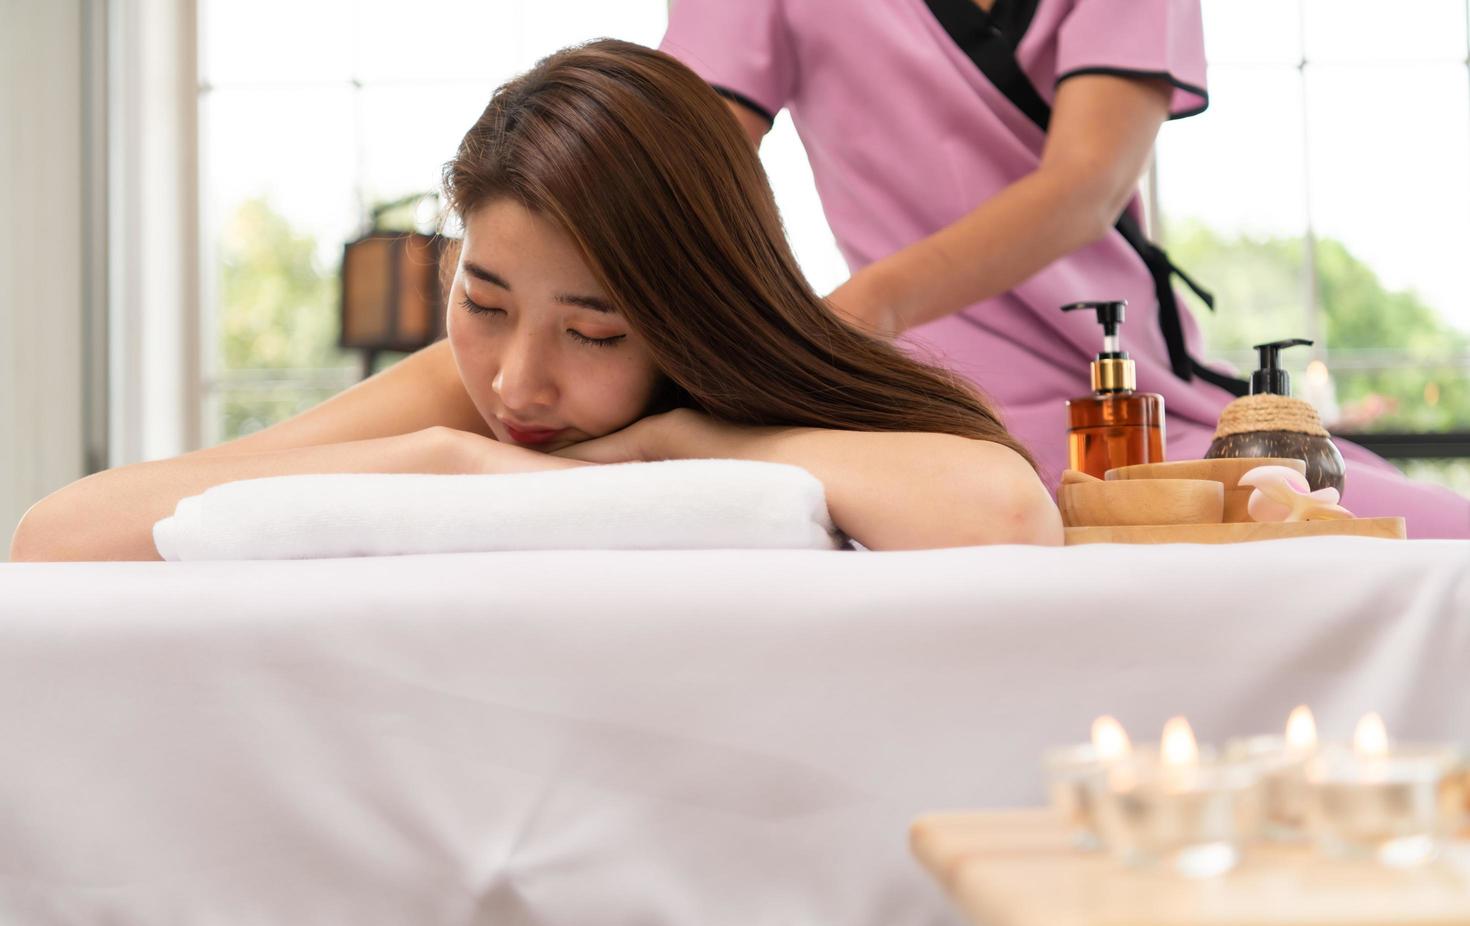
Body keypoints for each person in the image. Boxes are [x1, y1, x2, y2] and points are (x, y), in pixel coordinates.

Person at [8, 40, 1061, 563]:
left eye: (592, 328)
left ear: (695, 314)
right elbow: (56, 533)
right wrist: (441, 458)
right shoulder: (458, 401)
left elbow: (1007, 515)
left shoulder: (750, 395)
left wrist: (673, 443)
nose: (517, 378)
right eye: (484, 299)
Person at [660, 0, 1470, 538]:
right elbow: (669, 168)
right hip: (916, 414)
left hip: (1130, 411)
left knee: (1435, 536)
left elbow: (1086, 183)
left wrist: (854, 315)